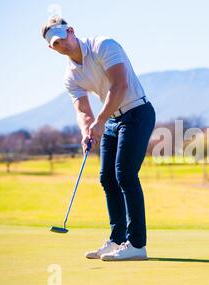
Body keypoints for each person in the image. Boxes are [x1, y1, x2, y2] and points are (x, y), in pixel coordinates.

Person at [42, 16, 156, 261]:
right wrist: (87, 131)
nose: (63, 45)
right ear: (51, 48)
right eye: (56, 44)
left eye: (63, 39)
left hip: (137, 112)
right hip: (112, 120)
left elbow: (120, 86)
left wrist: (100, 121)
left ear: (71, 31)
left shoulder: (103, 45)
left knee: (125, 174)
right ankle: (117, 240)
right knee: (107, 178)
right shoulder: (70, 76)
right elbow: (83, 110)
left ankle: (137, 244)